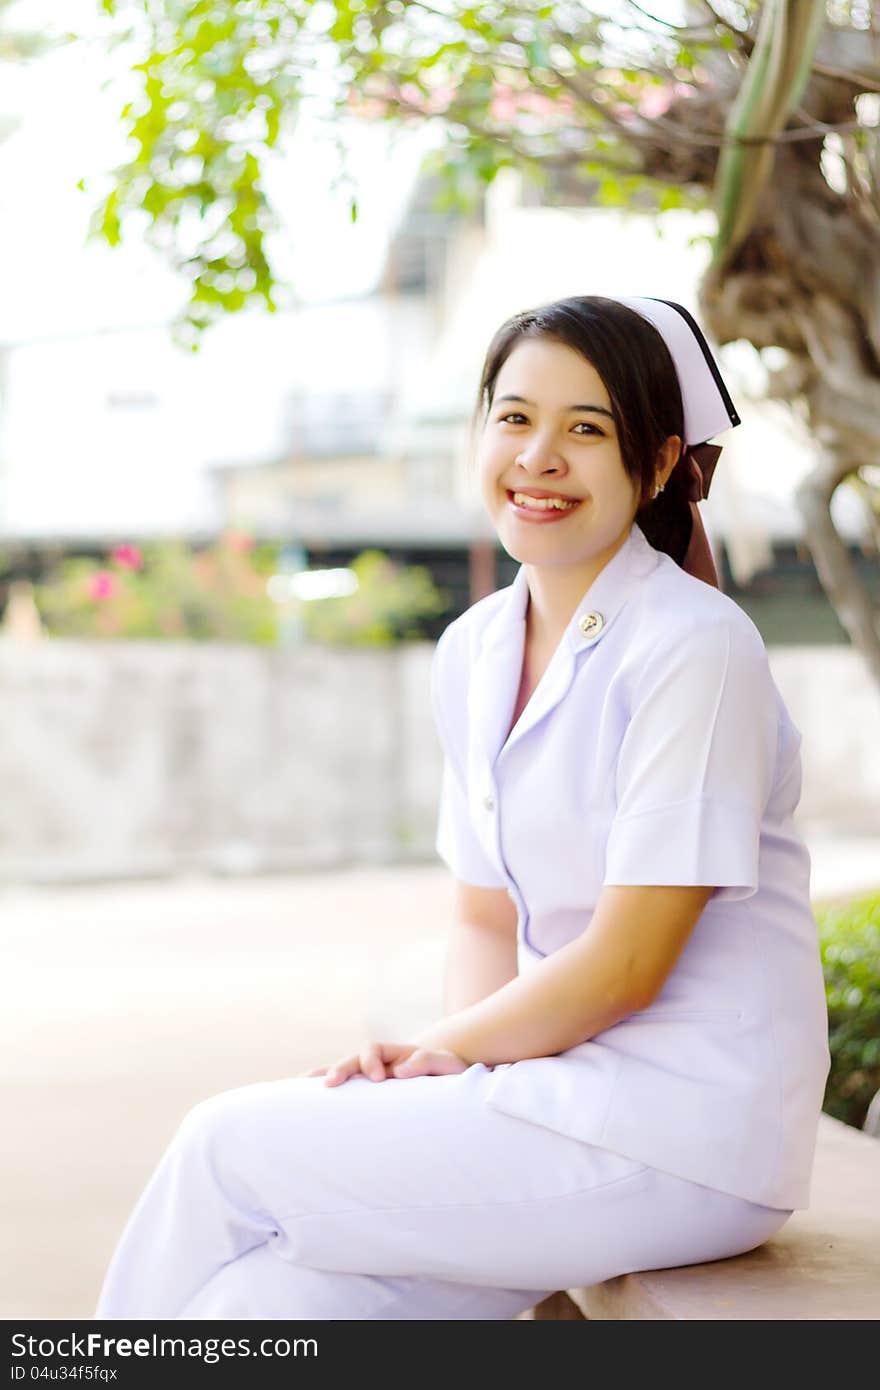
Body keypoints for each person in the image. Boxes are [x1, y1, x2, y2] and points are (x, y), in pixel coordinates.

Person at [93, 295, 831, 1322]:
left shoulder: (693, 649)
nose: (538, 456)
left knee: (225, 1149)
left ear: (657, 465)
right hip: (550, 1101)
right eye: (515, 417)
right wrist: (451, 1070)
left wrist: (446, 1050)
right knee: (262, 1304)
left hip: (683, 1131)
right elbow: (484, 917)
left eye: (586, 429)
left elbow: (625, 964)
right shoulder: (477, 649)